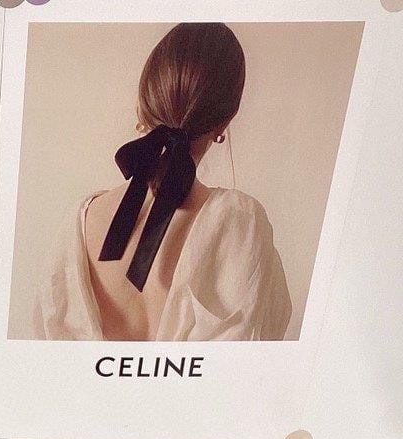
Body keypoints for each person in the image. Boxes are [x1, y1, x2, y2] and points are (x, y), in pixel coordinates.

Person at [36, 23, 291, 341]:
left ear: (142, 106)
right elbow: (255, 351)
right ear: (224, 122)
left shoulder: (81, 221)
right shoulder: (240, 220)